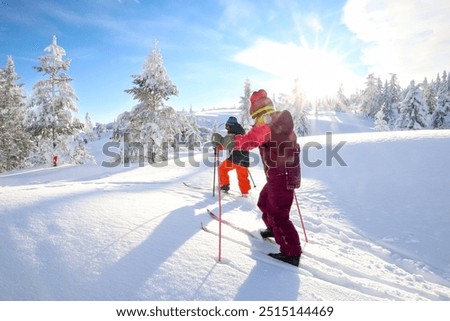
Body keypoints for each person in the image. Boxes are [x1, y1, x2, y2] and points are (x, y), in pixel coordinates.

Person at [213, 89, 302, 266]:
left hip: (281, 174)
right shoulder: (278, 123)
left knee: (279, 214)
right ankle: (273, 229)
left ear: (258, 111)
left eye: (255, 116)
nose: (255, 121)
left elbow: (249, 141)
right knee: (264, 201)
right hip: (282, 173)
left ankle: (291, 253)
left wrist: (225, 143)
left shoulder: (268, 125)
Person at [214, 116, 251, 196]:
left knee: (222, 168)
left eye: (227, 126)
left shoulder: (232, 133)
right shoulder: (241, 132)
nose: (226, 128)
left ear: (230, 125)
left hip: (235, 158)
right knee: (243, 176)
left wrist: (218, 147)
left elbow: (226, 145)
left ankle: (224, 186)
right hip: (245, 158)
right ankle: (245, 192)